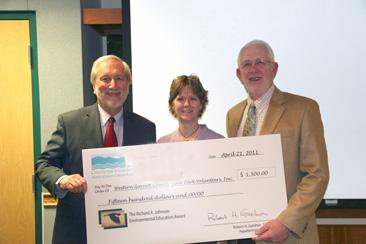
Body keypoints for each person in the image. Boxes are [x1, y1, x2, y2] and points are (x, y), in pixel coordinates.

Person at [35, 55, 156, 244]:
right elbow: (45, 164)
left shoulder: (146, 128)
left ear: (128, 85)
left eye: (119, 78)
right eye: (105, 78)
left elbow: (152, 175)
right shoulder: (69, 123)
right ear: (93, 85)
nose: (113, 85)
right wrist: (63, 179)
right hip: (78, 232)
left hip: (131, 232)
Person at [226, 40, 329, 244]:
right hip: (242, 234)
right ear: (239, 74)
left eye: (260, 62)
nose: (253, 69)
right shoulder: (233, 115)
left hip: (287, 236)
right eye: (247, 64)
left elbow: (317, 174)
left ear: (274, 68)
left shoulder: (304, 109)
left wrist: (287, 223)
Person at [157, 74, 224, 143]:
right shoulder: (162, 143)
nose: (187, 104)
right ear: (172, 104)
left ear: (201, 103)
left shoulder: (218, 141)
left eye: (192, 99)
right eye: (180, 99)